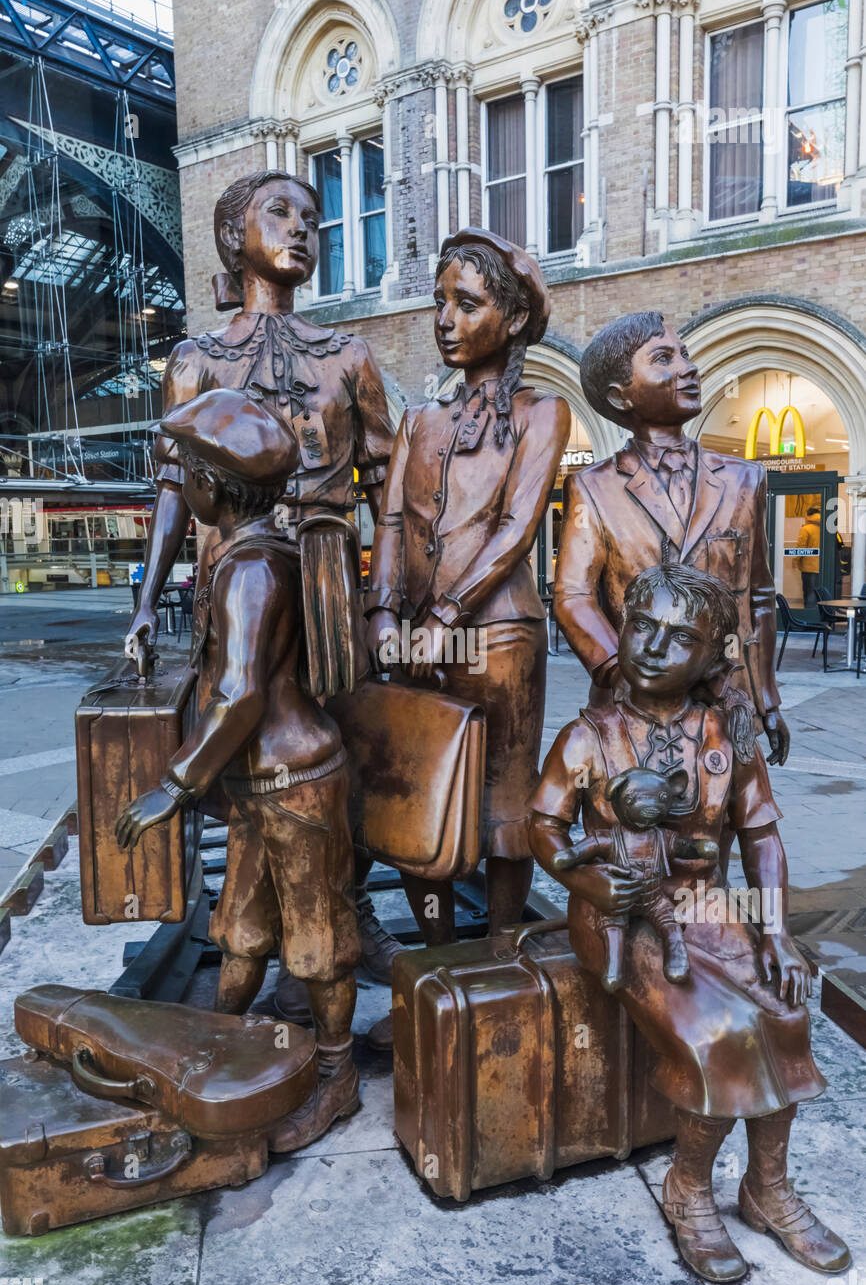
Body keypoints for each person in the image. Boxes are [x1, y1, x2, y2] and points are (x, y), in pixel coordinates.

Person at [529, 562, 849, 1284]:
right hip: (617, 912)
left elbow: (762, 835)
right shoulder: (592, 735)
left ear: (710, 658)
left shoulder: (724, 733)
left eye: (678, 639)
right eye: (640, 625)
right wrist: (584, 877)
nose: (648, 646)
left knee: (786, 1014)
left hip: (707, 908)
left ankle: (767, 1189)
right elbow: (543, 824)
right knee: (718, 1032)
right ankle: (688, 1189)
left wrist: (774, 933)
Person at [124, 167, 400, 987]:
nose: (302, 227)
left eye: (313, 216)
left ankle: (344, 916)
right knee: (246, 753)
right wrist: (146, 603)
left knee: (334, 752)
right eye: (279, 212)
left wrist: (382, 601)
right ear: (231, 235)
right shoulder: (194, 358)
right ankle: (248, 919)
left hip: (327, 585)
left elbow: (387, 493)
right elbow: (174, 487)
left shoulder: (349, 354)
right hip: (235, 572)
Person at [116, 389, 361, 1151]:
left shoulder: (250, 568)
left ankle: (336, 1075)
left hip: (296, 782)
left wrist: (176, 784)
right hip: (264, 787)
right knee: (243, 930)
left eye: (184, 474)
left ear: (209, 488)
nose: (181, 489)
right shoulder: (257, 554)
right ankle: (219, 1044)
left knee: (318, 942)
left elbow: (241, 693)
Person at [366, 227, 570, 950]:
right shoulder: (420, 420)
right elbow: (389, 523)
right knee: (422, 790)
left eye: (467, 303)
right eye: (439, 302)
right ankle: (439, 959)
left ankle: (503, 951)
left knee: (505, 802)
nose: (445, 320)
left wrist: (445, 615)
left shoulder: (541, 413)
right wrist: (385, 614)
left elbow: (517, 528)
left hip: (499, 636)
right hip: (417, 633)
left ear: (512, 319)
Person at [554, 311, 790, 767]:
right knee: (634, 828)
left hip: (726, 701)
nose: (688, 367)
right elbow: (573, 597)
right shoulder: (593, 487)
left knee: (725, 826)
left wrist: (768, 699)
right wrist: (627, 671)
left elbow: (759, 597)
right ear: (620, 397)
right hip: (632, 705)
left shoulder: (745, 479)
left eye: (685, 354)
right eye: (664, 358)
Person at [794, 506, 822, 608]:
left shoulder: (806, 529)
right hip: (822, 567)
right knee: (819, 593)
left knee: (809, 592)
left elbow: (801, 547)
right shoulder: (823, 528)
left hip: (809, 567)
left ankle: (809, 616)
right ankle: (819, 616)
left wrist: (795, 560)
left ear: (808, 516)